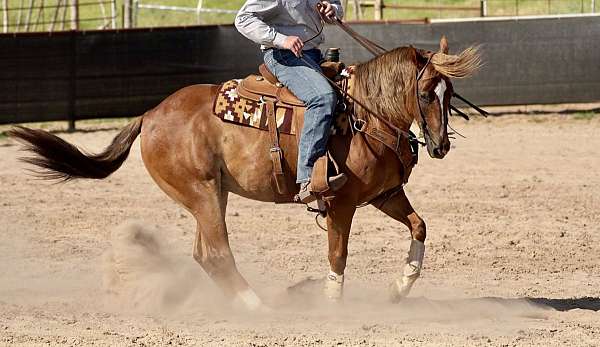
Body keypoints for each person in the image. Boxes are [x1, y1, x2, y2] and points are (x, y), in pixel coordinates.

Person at [235, 0, 347, 203]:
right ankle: (309, 177)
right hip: (283, 55)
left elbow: (335, 5)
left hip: (312, 54)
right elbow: (243, 19)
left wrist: (333, 10)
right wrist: (280, 39)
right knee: (322, 98)